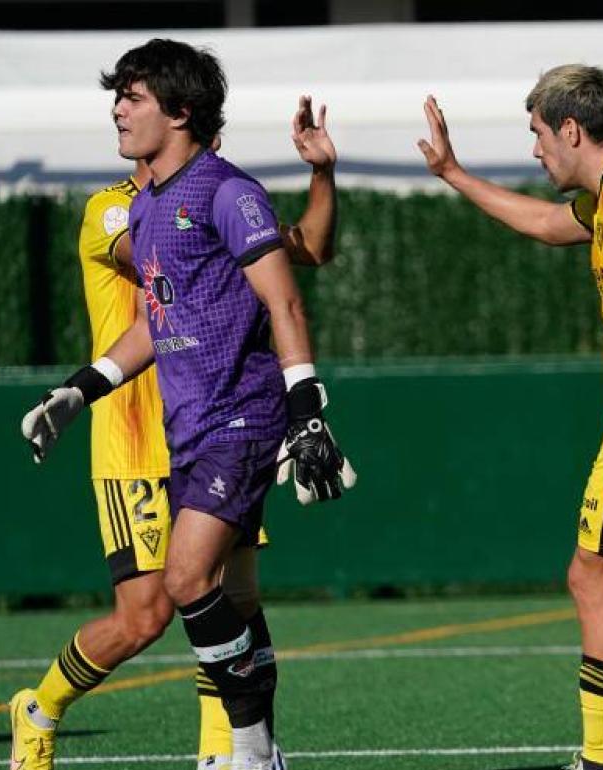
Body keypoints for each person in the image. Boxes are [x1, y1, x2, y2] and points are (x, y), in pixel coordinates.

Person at [18, 38, 355, 770]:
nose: (117, 109)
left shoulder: (227, 192)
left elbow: (286, 296)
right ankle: (255, 748)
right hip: (189, 429)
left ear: (180, 112)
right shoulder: (142, 213)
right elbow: (153, 323)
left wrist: (307, 406)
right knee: (228, 598)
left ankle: (248, 751)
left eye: (132, 97)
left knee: (183, 582)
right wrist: (81, 388)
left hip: (243, 416)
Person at [418, 64, 603, 770]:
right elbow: (552, 225)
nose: (535, 150)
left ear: (572, 129)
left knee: (592, 578)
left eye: (538, 134)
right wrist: (455, 174)